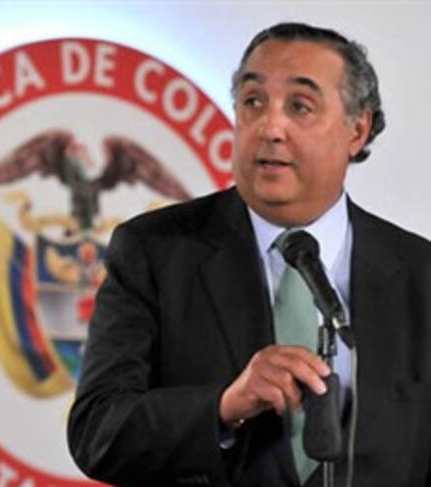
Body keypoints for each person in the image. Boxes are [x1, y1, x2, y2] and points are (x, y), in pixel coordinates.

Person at [66, 22, 431, 487]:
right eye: (253, 102)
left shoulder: (419, 274)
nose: (270, 128)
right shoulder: (155, 251)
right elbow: (98, 432)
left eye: (300, 106)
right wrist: (222, 407)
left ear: (356, 130)